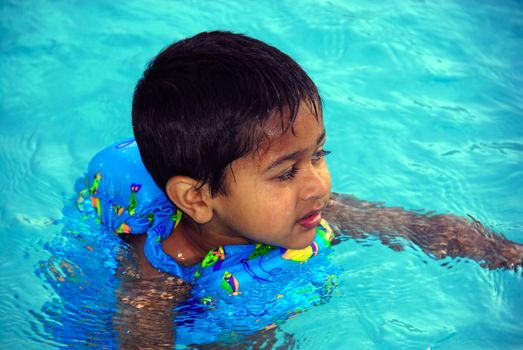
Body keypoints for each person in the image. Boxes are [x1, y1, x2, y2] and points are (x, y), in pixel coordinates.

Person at [78, 31, 523, 346]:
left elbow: (424, 229)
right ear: (197, 198)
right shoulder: (158, 279)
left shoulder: (316, 209)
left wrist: (506, 254)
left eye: (319, 154)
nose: (318, 186)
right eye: (285, 172)